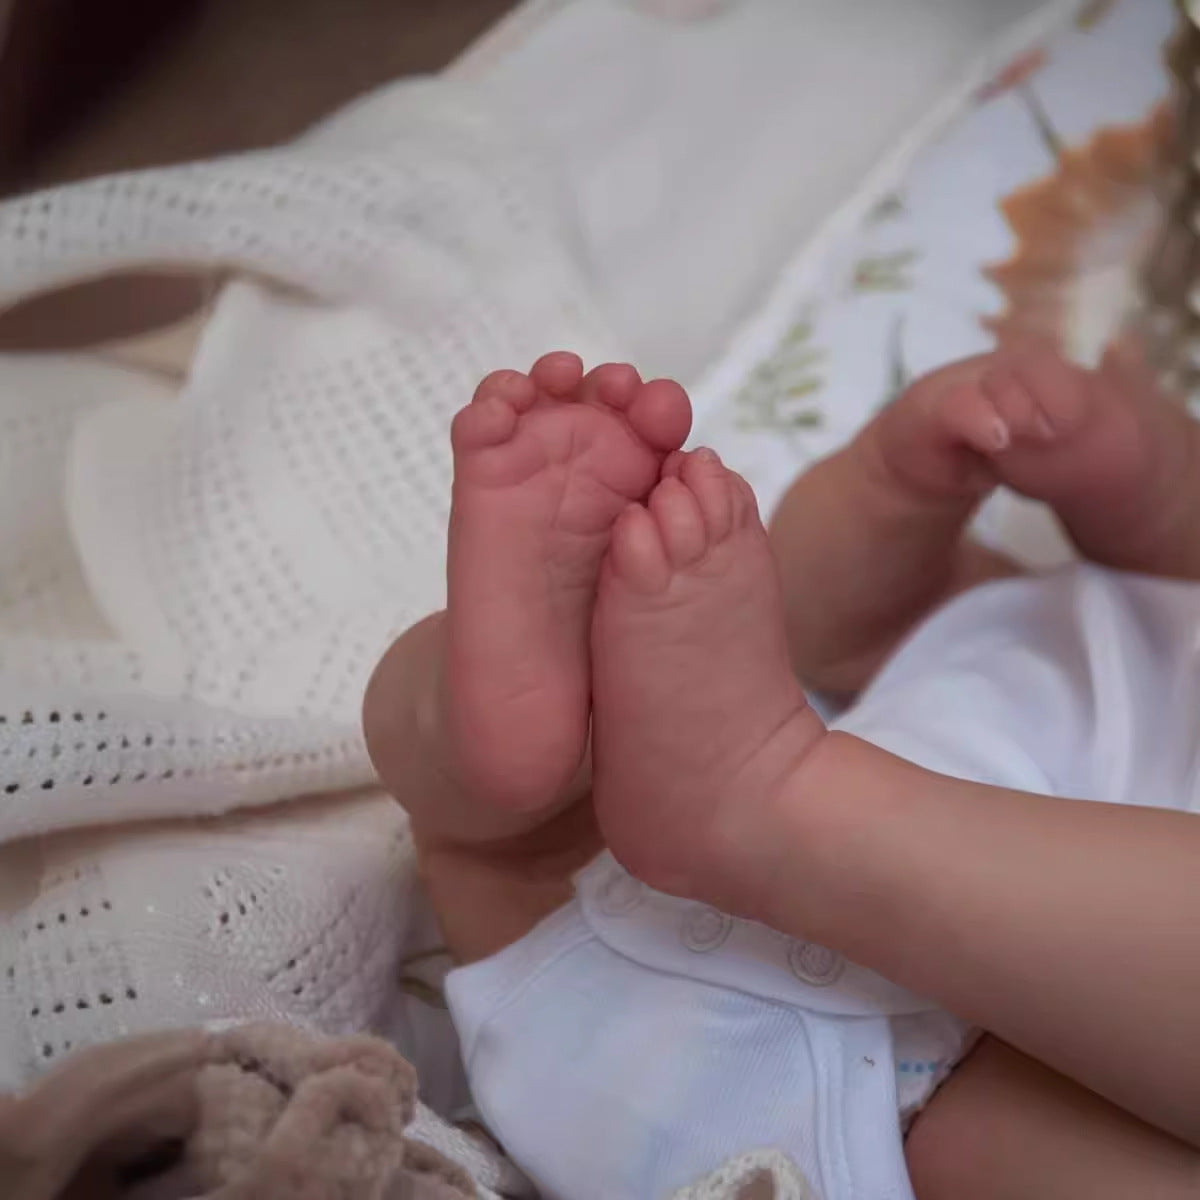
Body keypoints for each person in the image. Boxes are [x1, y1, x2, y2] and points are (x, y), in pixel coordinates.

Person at [363, 342, 1200, 1198]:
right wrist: (1092, 466)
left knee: (516, 844)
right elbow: (831, 629)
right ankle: (519, 710)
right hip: (658, 963)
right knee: (518, 824)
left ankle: (766, 797)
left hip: (852, 1065)